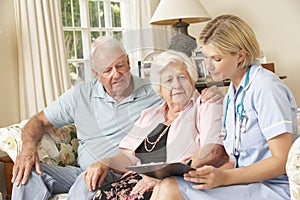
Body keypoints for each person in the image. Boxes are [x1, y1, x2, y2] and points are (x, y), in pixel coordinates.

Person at [11, 36, 223, 200]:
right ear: (96, 74)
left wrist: (209, 93)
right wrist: (27, 149)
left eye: (120, 66)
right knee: (26, 173)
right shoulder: (82, 96)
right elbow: (38, 121)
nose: (116, 74)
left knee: (88, 182)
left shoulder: (153, 92)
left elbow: (184, 94)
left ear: (128, 62)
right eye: (107, 70)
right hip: (90, 169)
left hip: (117, 174)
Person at [150, 14, 298, 200]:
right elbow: (233, 161)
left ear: (240, 56)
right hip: (244, 183)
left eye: (217, 59)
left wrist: (225, 177)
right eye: (206, 57)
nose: (208, 66)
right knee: (166, 184)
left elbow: (281, 160)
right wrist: (208, 174)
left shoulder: (266, 88)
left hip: (274, 187)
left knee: (170, 190)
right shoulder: (232, 96)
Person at [87, 50, 227, 200]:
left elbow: (212, 152)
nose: (177, 85)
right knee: (99, 195)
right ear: (159, 90)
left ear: (192, 81)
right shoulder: (151, 114)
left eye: (182, 77)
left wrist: (164, 174)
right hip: (140, 180)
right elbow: (129, 156)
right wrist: (106, 162)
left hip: (176, 182)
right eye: (168, 81)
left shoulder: (206, 105)